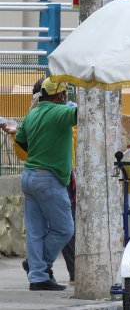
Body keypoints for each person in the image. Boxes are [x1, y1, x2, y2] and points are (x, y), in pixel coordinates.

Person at [14, 78, 76, 291]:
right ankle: (35, 264)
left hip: (29, 176)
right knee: (65, 229)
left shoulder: (33, 114)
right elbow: (82, 115)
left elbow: (21, 140)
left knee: (35, 230)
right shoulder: (61, 113)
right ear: (60, 96)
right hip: (48, 179)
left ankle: (38, 276)